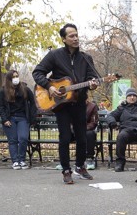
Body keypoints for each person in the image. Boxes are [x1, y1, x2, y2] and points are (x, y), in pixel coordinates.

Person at [33, 23, 101, 184]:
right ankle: (66, 170)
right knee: (64, 137)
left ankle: (80, 166)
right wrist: (49, 87)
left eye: (76, 35)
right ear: (63, 39)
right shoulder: (54, 56)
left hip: (79, 103)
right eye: (71, 36)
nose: (75, 38)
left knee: (82, 137)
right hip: (61, 105)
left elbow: (93, 78)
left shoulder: (86, 58)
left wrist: (93, 83)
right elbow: (37, 72)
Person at [0, 69, 36, 170]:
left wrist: (32, 118)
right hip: (10, 119)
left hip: (23, 118)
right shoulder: (3, 91)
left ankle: (22, 160)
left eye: (17, 76)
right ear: (9, 79)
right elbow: (0, 106)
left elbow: (33, 103)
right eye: (13, 77)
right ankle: (15, 161)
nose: (16, 78)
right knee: (13, 140)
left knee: (23, 138)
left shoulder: (25, 89)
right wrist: (5, 119)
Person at [85, 99, 100, 169]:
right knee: (64, 134)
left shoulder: (92, 106)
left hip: (86, 129)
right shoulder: (72, 105)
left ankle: (89, 158)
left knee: (90, 134)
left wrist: (83, 128)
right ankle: (63, 161)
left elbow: (94, 122)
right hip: (74, 129)